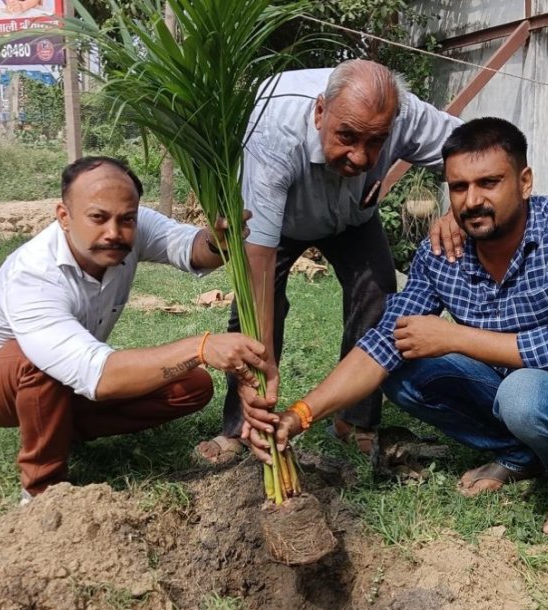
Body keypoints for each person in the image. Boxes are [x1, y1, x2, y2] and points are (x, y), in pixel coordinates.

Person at [243, 117, 548, 538]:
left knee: (524, 393)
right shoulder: (443, 252)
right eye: (459, 187)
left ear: (524, 181)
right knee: (401, 367)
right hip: (515, 393)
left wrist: (454, 337)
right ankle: (519, 452)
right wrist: (298, 416)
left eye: (489, 183)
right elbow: (383, 344)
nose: (472, 200)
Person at [0, 156, 269, 502]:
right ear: (64, 216)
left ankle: (57, 425)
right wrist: (201, 347)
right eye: (98, 218)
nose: (114, 233)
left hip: (71, 372)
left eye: (126, 219)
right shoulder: (34, 275)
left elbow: (189, 248)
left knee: (191, 386)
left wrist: (216, 240)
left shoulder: (129, 228)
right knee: (38, 364)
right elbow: (96, 373)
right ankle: (43, 493)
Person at [195, 59, 462, 463]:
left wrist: (457, 208)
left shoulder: (405, 113)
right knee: (256, 310)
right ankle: (240, 426)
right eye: (347, 136)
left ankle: (355, 422)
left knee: (378, 292)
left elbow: (476, 148)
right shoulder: (275, 130)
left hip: (353, 217)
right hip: (280, 222)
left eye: (376, 142)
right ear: (320, 111)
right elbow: (259, 262)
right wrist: (262, 368)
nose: (359, 156)